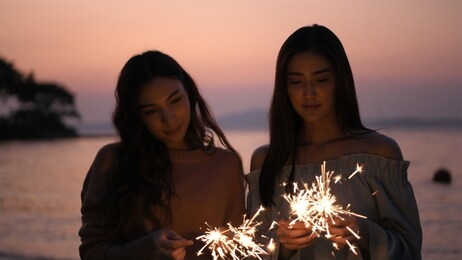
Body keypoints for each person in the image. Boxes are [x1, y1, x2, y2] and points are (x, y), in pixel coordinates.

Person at [246, 24, 422, 260]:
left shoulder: (378, 154)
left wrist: (363, 233)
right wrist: (284, 246)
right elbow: (251, 251)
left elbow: (409, 250)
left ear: (340, 80)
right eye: (297, 82)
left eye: (321, 80)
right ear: (284, 88)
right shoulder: (267, 161)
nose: (309, 93)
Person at [79, 50, 246, 260]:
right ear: (137, 116)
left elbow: (239, 252)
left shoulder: (226, 165)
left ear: (189, 93)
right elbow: (92, 253)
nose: (169, 119)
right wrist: (148, 247)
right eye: (151, 111)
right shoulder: (113, 161)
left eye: (175, 101)